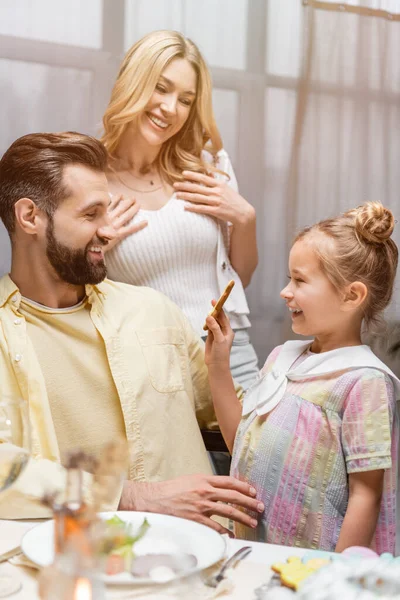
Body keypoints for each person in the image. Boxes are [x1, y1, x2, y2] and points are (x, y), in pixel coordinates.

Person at [0, 131, 265, 531]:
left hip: (200, 561)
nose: (110, 231)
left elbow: (245, 430)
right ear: (30, 217)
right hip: (70, 571)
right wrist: (134, 497)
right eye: (91, 215)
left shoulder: (153, 310)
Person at [205, 201, 399, 553]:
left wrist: (336, 578)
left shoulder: (364, 381)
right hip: (259, 554)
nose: (285, 291)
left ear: (351, 295)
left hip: (314, 569)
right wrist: (219, 364)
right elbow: (242, 448)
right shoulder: (283, 358)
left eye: (300, 280)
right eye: (288, 278)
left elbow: (366, 495)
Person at [100, 30, 259, 391]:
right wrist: (96, 247)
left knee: (259, 449)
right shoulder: (89, 180)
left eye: (185, 100)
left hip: (232, 355)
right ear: (132, 82)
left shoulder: (208, 166)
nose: (170, 108)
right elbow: (67, 291)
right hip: (150, 367)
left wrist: (245, 218)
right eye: (160, 87)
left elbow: (242, 277)